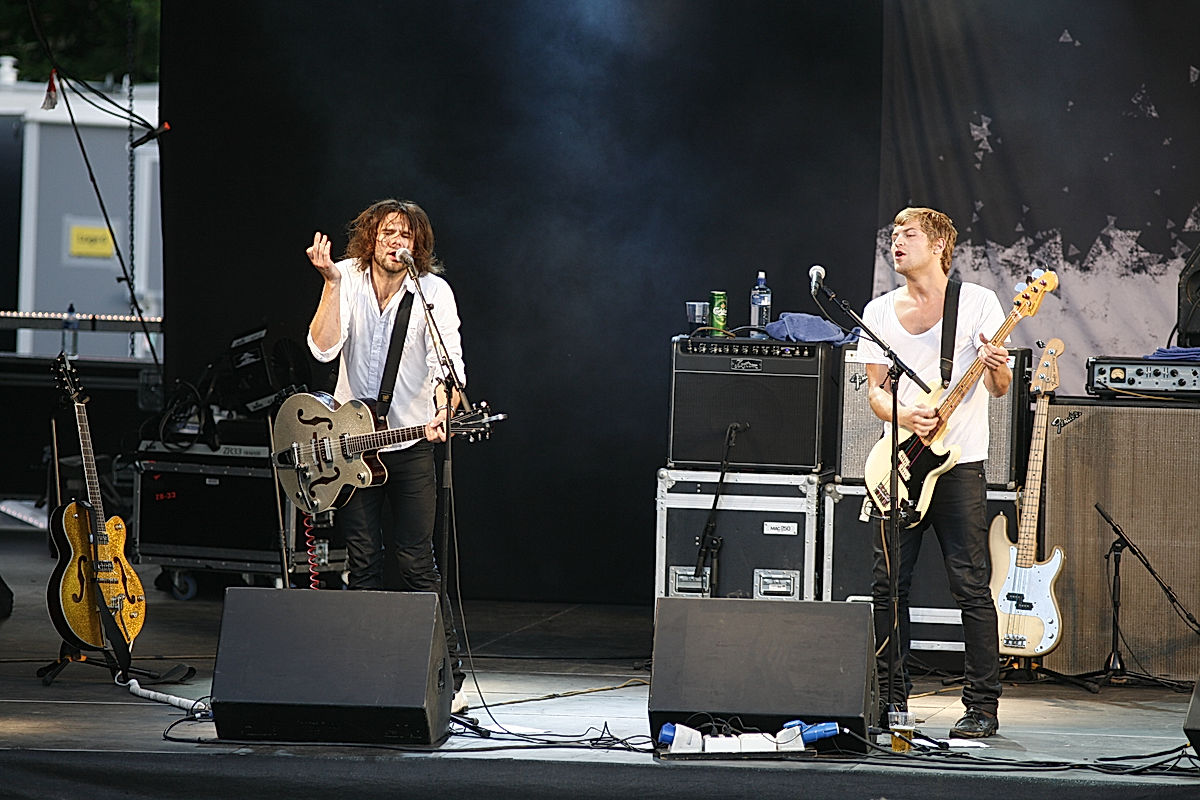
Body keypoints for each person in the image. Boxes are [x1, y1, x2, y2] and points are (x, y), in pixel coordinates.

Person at [306, 198, 467, 713]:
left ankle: (443, 675)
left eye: (407, 236)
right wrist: (330, 284)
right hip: (354, 445)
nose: (397, 243)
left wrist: (442, 409)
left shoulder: (432, 291)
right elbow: (322, 349)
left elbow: (449, 366)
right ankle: (363, 672)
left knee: (417, 561)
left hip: (410, 442)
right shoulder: (347, 277)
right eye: (388, 233)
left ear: (418, 245)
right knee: (363, 561)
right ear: (371, 237)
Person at [856, 206, 1010, 739]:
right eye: (893, 234)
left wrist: (999, 369)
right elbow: (875, 393)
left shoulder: (978, 303)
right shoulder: (878, 312)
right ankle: (891, 701)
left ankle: (981, 706)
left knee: (970, 585)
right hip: (899, 464)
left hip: (959, 466)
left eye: (909, 234)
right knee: (887, 587)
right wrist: (904, 414)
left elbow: (998, 388)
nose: (896, 242)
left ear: (940, 245)